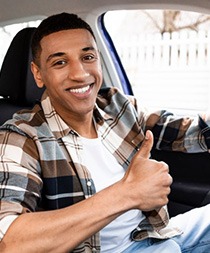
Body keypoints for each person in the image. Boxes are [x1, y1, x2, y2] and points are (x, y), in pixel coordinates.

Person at [0, 12, 210, 253]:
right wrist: (127, 193)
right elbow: (11, 242)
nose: (80, 74)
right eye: (60, 62)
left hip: (153, 233)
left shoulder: (117, 106)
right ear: (38, 74)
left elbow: (188, 133)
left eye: (87, 57)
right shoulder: (20, 137)